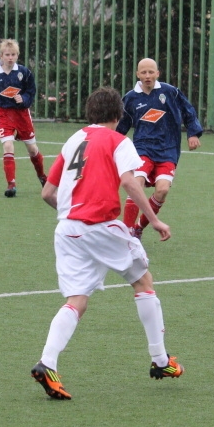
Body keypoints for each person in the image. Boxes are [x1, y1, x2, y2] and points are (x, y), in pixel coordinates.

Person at [31, 86, 184, 401]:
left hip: (67, 231)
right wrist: (153, 220)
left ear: (90, 114)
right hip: (101, 226)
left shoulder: (74, 139)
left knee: (77, 300)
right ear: (119, 115)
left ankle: (47, 362)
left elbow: (47, 193)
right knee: (143, 282)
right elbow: (129, 181)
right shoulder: (119, 140)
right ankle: (160, 361)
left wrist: (70, 214)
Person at [115, 58, 204, 238]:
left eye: (151, 72)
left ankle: (139, 227)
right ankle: (126, 232)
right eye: (143, 73)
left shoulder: (170, 92)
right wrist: (111, 144)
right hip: (142, 149)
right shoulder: (131, 97)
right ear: (137, 74)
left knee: (162, 190)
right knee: (136, 183)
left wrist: (193, 133)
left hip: (168, 150)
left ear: (157, 73)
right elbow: (120, 126)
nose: (147, 76)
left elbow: (188, 111)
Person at [0, 39, 47, 197]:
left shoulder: (24, 72)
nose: (10, 57)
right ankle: (11, 184)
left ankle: (42, 177)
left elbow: (31, 91)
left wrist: (23, 99)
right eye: (7, 55)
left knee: (32, 149)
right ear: (1, 55)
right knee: (8, 146)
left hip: (21, 114)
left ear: (17, 55)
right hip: (3, 113)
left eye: (13, 55)